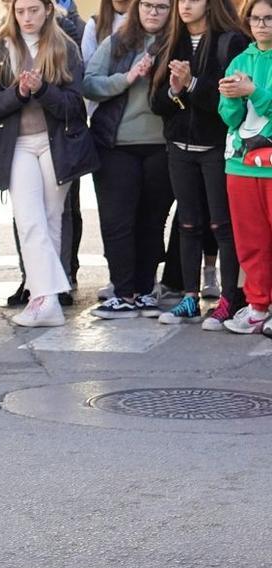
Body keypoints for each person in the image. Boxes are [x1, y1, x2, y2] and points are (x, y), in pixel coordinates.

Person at [0, 0, 94, 327]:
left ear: (48, 9)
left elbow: (76, 106)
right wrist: (18, 92)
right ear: (12, 12)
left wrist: (42, 89)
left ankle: (44, 301)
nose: (27, 17)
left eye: (33, 10)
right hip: (17, 144)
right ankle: (45, 298)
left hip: (55, 144)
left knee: (50, 219)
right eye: (21, 11)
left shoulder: (66, 47)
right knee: (29, 219)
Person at [149, 0, 245, 327]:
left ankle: (230, 299)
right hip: (179, 146)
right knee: (188, 224)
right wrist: (175, 90)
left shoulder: (230, 42)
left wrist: (191, 84)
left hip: (217, 147)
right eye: (181, 0)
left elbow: (228, 103)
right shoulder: (170, 42)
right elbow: (156, 102)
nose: (185, 6)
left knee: (222, 225)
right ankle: (189, 298)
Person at [83, 0, 173, 319]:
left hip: (162, 145)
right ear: (137, 8)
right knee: (116, 220)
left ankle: (146, 290)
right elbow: (89, 84)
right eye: (147, 5)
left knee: (151, 220)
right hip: (115, 144)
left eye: (162, 6)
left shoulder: (177, 43)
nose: (153, 12)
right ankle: (123, 293)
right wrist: (126, 77)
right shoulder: (118, 41)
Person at [218, 0, 272, 335]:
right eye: (256, 18)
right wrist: (231, 97)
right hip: (240, 164)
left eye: (269, 18)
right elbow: (231, 119)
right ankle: (257, 306)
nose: (262, 24)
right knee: (251, 242)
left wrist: (254, 90)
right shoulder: (240, 60)